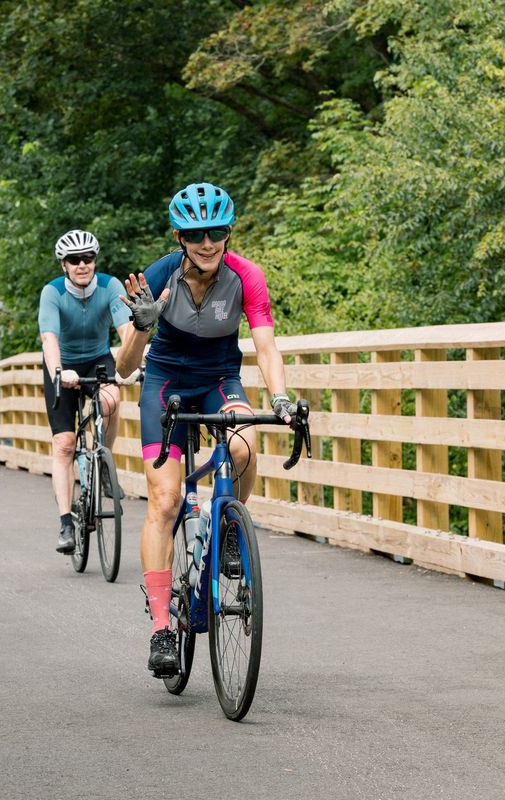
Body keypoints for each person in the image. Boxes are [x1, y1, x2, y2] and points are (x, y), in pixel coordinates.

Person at [114, 182, 296, 678]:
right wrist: (143, 326)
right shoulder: (159, 276)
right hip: (164, 381)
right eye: (196, 233)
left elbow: (265, 344)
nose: (208, 242)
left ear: (229, 232)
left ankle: (231, 531)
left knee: (243, 445)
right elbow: (127, 367)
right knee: (166, 499)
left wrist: (279, 397)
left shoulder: (246, 276)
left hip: (220, 378)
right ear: (180, 236)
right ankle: (160, 630)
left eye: (217, 232)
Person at [38, 229, 133, 554]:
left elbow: (124, 331)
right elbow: (49, 338)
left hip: (97, 358)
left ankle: (103, 462)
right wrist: (60, 373)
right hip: (62, 363)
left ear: (95, 259)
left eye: (88, 258)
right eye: (74, 260)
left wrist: (134, 365)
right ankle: (66, 523)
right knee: (64, 444)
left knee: (110, 400)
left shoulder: (110, 286)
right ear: (64, 264)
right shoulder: (52, 292)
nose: (82, 265)